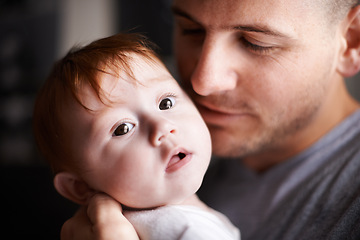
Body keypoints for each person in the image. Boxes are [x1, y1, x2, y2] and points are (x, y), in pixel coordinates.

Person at [60, 0, 360, 239]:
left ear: (350, 41)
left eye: (256, 43)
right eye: (191, 30)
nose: (202, 81)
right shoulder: (159, 166)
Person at [32, 33, 240, 240]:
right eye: (123, 128)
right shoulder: (185, 229)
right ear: (81, 187)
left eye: (166, 103)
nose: (162, 126)